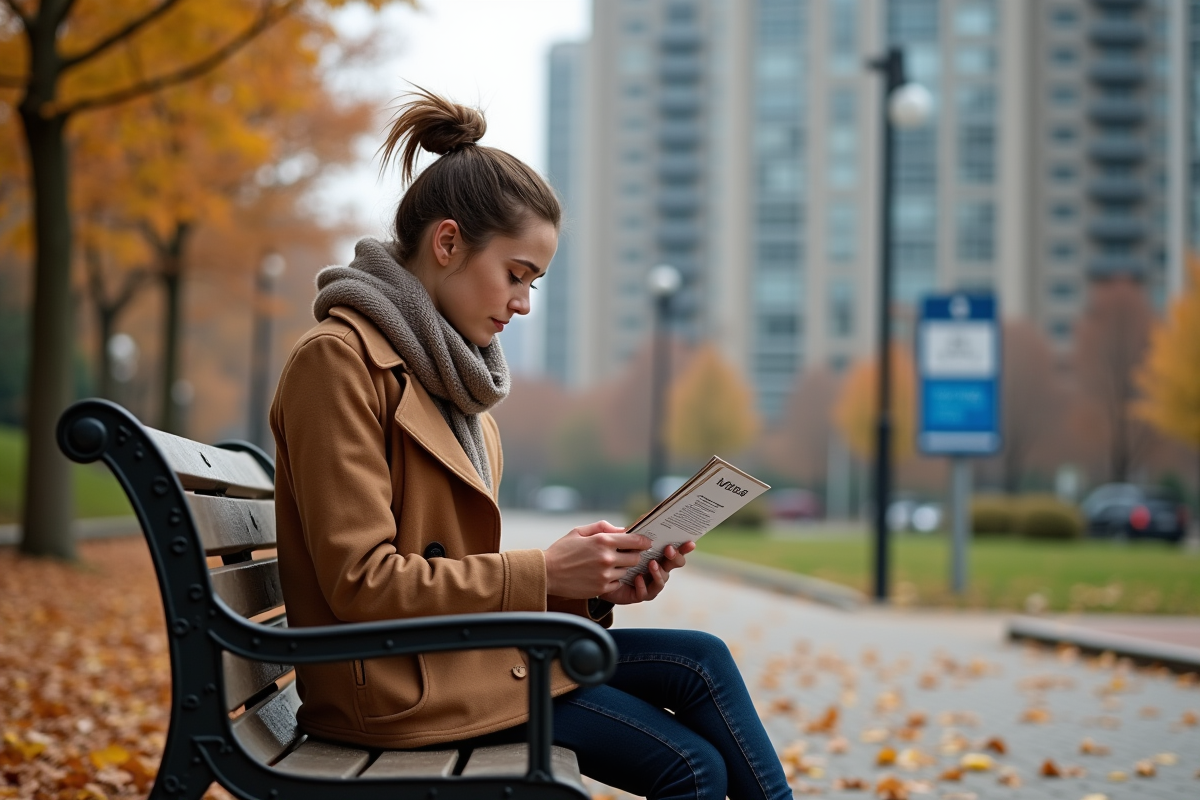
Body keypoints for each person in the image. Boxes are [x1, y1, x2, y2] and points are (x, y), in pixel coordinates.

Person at [269, 88, 792, 800]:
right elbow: (363, 587)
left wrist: (593, 588)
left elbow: (462, 585)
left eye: (535, 283)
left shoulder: (453, 386)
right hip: (396, 687)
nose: (522, 302)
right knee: (692, 767)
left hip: (450, 660)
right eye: (516, 275)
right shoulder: (340, 361)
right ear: (447, 243)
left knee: (700, 661)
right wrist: (545, 572)